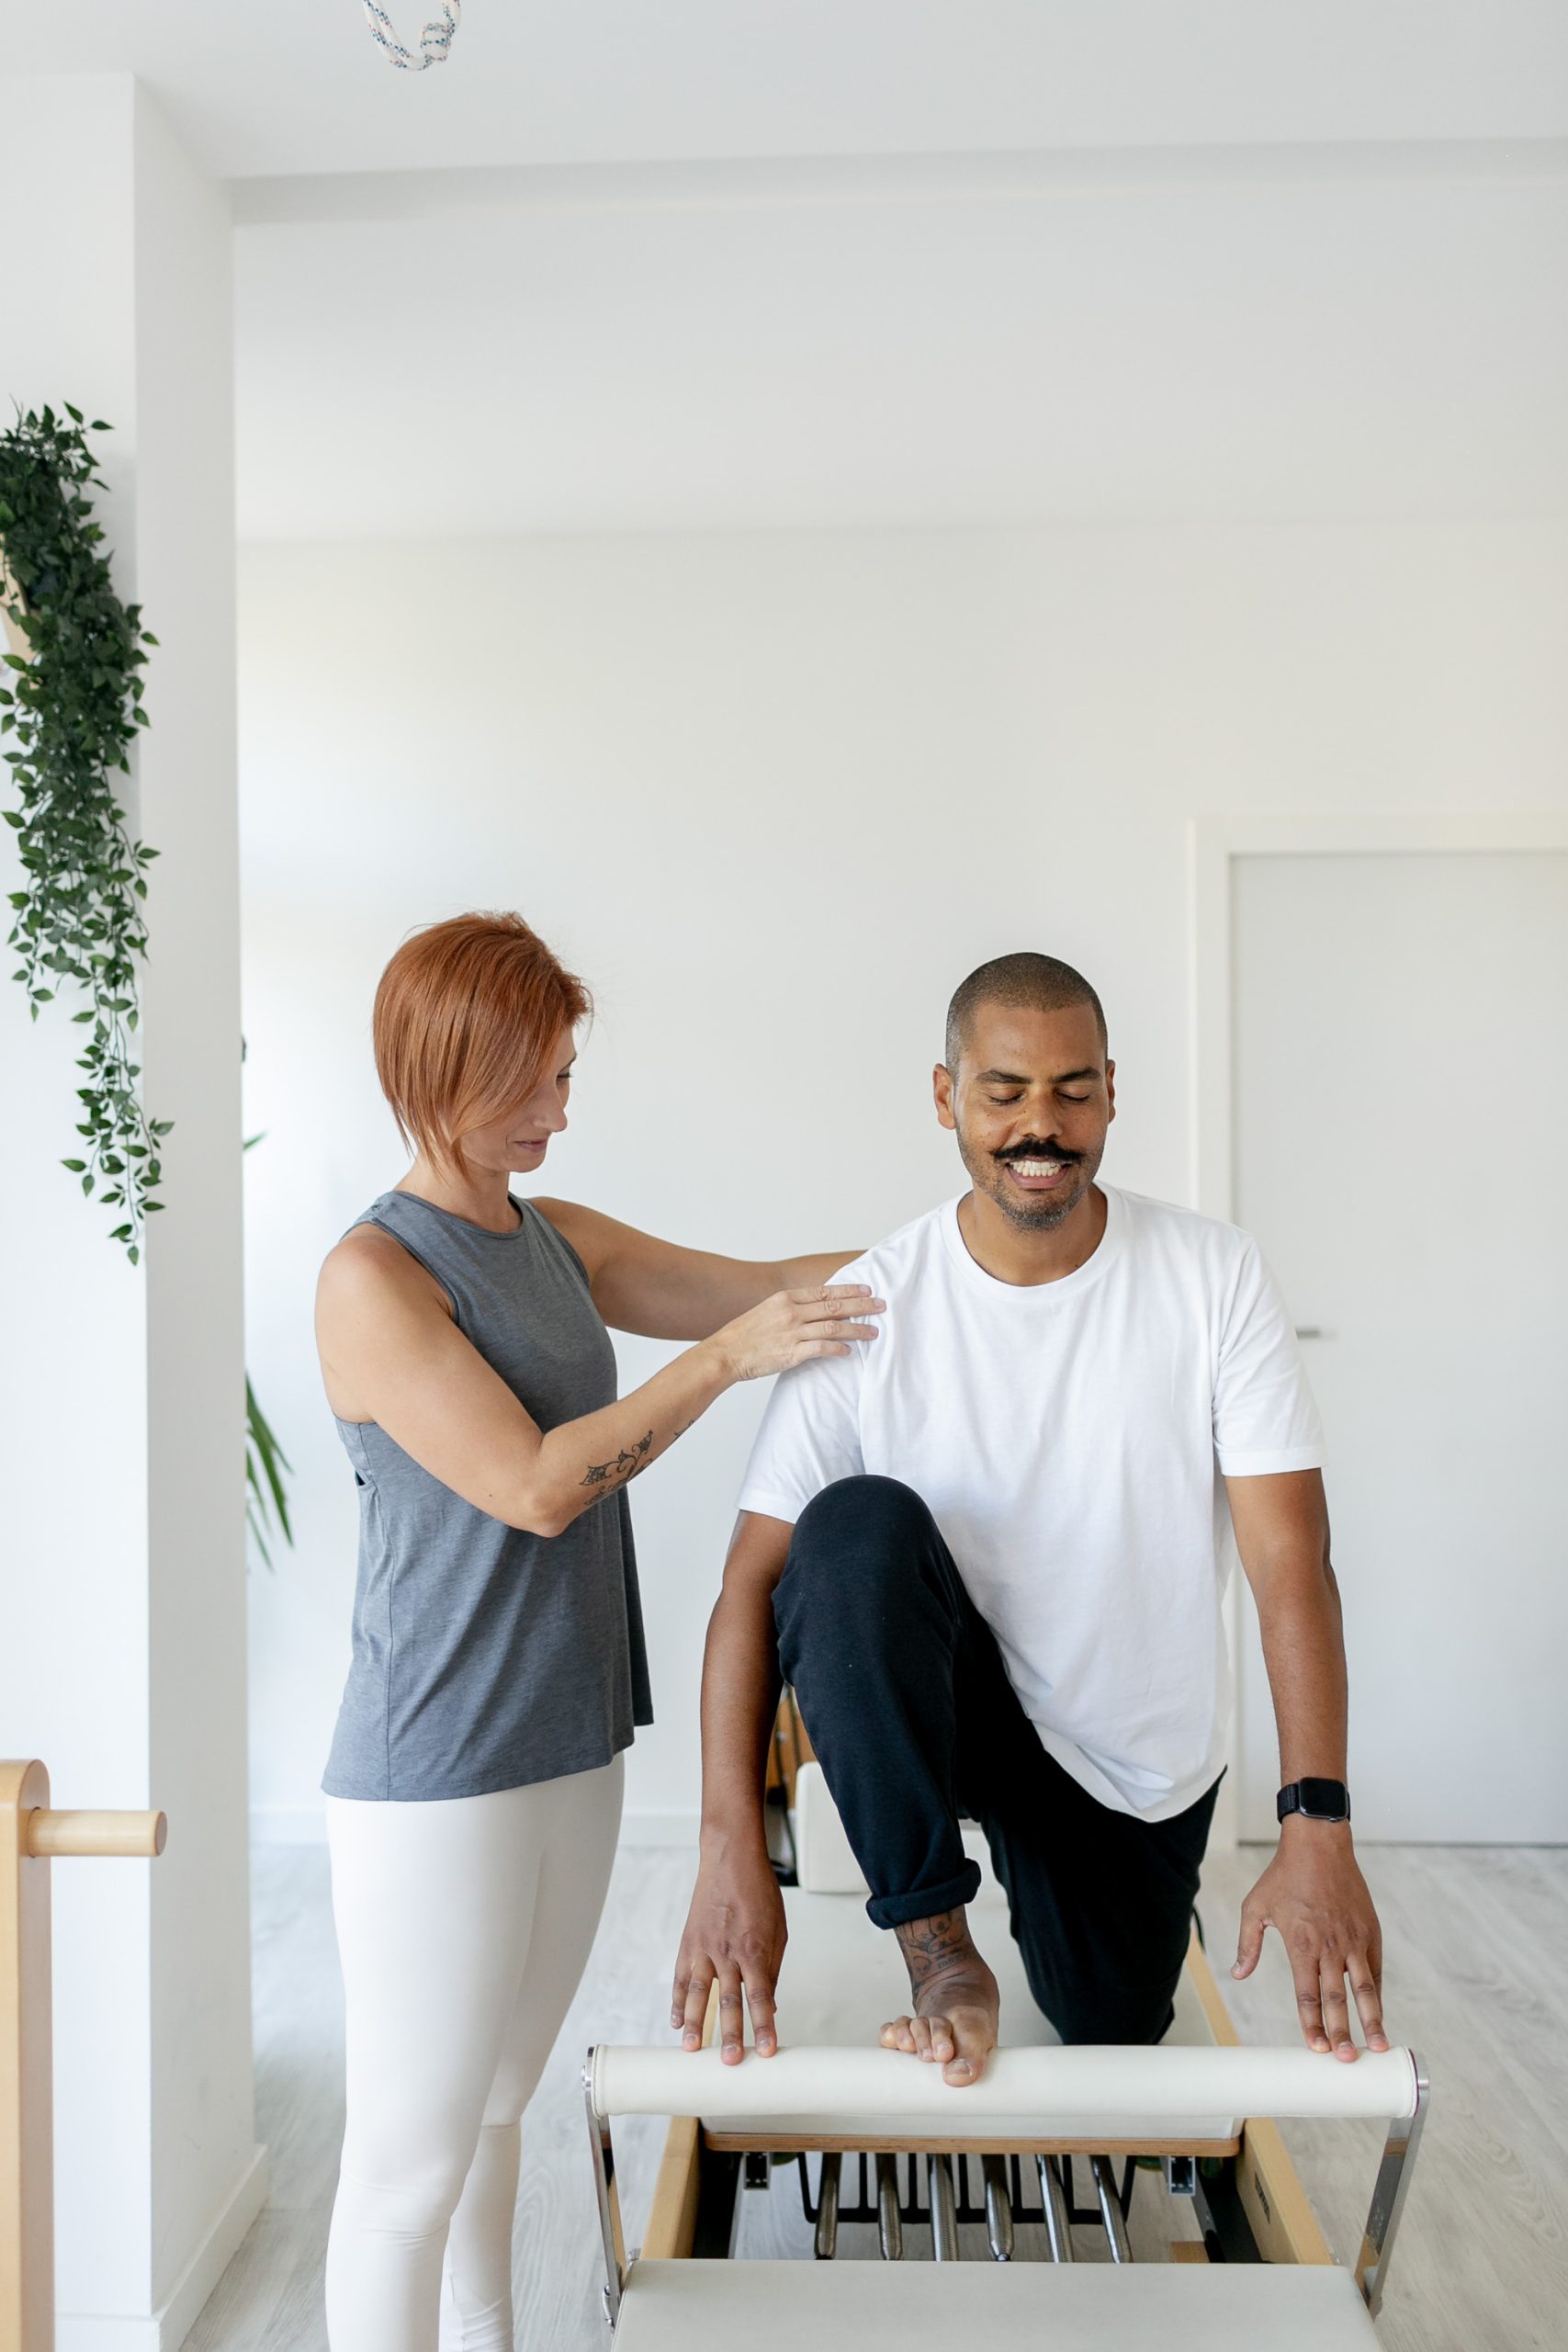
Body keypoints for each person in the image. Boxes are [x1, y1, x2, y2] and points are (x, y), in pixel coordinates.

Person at [313, 910, 883, 2350]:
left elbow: (748, 1285)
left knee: (502, 2108)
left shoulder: (551, 1237)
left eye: (569, 1076)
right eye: (535, 1081)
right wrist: (722, 1366)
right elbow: (533, 1486)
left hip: (570, 1733)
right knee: (407, 2167)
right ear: (443, 1067)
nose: (562, 1110)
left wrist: (949, 1244)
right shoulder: (374, 1277)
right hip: (435, 1761)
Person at [673, 950, 1389, 2090]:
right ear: (947, 1097)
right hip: (941, 1697)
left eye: (1071, 1089)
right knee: (850, 1529)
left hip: (1123, 1754)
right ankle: (940, 1947)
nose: (1039, 1125)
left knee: (1110, 2027)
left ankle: (1089, 1934)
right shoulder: (872, 1302)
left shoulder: (1214, 1275)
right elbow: (750, 1587)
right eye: (1004, 1092)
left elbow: (1290, 1560)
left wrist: (1318, 1824)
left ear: (1112, 1088)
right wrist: (728, 1851)